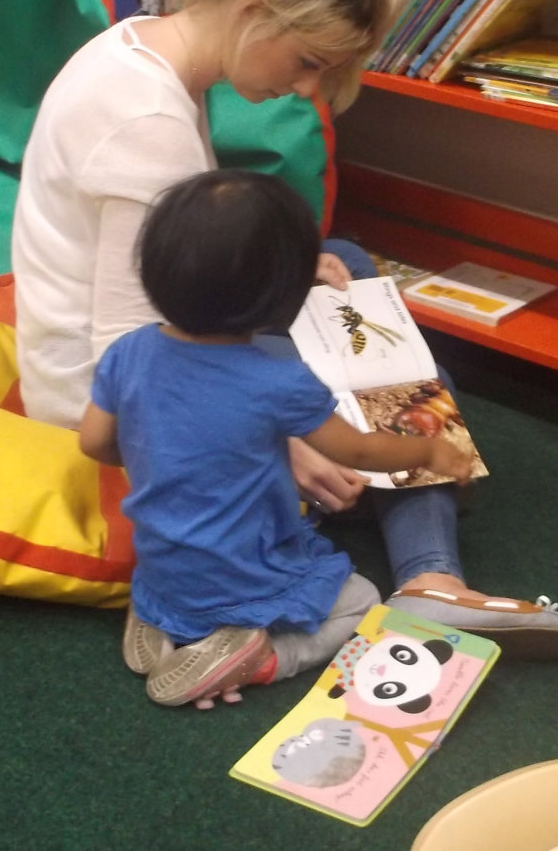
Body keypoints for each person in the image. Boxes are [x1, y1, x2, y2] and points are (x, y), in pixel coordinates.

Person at [11, 0, 558, 658]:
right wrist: (283, 441)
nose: (307, 89)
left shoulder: (142, 48)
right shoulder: (147, 123)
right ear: (253, 10)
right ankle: (429, 574)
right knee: (362, 346)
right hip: (101, 394)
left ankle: (422, 559)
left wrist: (287, 274)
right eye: (310, 61)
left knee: (344, 266)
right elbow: (138, 350)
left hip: (112, 349)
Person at [79, 170, 475, 709]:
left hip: (161, 566)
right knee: (359, 601)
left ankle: (156, 616)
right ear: (280, 294)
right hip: (248, 576)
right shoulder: (279, 381)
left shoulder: (127, 352)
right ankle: (265, 659)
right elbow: (361, 451)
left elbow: (94, 442)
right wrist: (428, 449)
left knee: (185, 568)